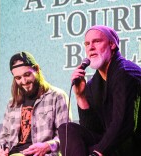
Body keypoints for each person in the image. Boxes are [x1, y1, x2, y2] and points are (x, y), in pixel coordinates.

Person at [58, 25, 141, 156]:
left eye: (96, 41)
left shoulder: (126, 73)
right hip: (113, 145)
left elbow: (124, 124)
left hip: (132, 144)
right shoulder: (93, 84)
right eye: (87, 44)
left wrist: (98, 152)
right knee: (67, 129)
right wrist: (81, 97)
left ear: (112, 45)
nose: (90, 47)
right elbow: (93, 128)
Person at [0, 52, 71, 156]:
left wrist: (47, 146)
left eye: (27, 75)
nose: (24, 81)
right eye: (18, 78)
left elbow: (66, 136)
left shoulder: (56, 96)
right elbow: (4, 136)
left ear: (36, 69)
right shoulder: (12, 103)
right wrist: (2, 149)